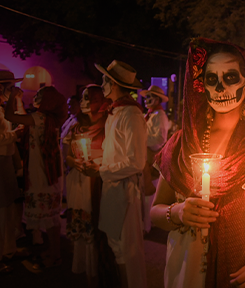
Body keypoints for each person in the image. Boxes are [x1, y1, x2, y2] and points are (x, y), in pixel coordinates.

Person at [150, 38, 245, 288]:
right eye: (212, 79)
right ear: (202, 87)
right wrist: (178, 212)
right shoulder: (182, 142)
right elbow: (156, 211)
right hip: (185, 267)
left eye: (231, 77)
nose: (221, 88)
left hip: (243, 272)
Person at [85, 60, 147, 288]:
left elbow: (136, 161)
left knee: (126, 249)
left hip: (124, 189)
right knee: (116, 244)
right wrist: (97, 163)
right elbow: (117, 154)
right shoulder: (116, 112)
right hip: (112, 186)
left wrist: (101, 169)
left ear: (113, 84)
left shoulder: (131, 114)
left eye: (104, 81)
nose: (102, 85)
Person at [5, 85, 67, 270]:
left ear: (47, 101)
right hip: (48, 172)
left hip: (42, 174)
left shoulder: (39, 117)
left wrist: (12, 98)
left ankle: (55, 256)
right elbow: (26, 119)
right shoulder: (47, 118)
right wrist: (17, 100)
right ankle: (53, 251)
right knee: (52, 217)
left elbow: (11, 117)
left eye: (40, 95)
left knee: (50, 219)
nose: (36, 96)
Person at [63, 84, 116, 287]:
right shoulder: (77, 125)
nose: (84, 102)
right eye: (83, 98)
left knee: (96, 227)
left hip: (98, 182)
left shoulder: (108, 126)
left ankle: (99, 273)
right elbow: (67, 155)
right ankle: (84, 271)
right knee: (81, 226)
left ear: (101, 102)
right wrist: (73, 162)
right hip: (79, 181)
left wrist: (97, 165)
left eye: (90, 98)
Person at [0, 70, 24, 274]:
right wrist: (13, 135)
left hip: (5, 159)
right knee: (1, 208)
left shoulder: (3, 107)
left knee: (7, 208)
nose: (14, 91)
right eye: (11, 87)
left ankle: (8, 249)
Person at [140, 85, 172, 232]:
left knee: (150, 193)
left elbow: (159, 139)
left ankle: (148, 225)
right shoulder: (150, 115)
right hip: (144, 158)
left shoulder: (160, 116)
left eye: (150, 97)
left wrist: (140, 139)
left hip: (152, 159)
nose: (147, 100)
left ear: (157, 99)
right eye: (146, 97)